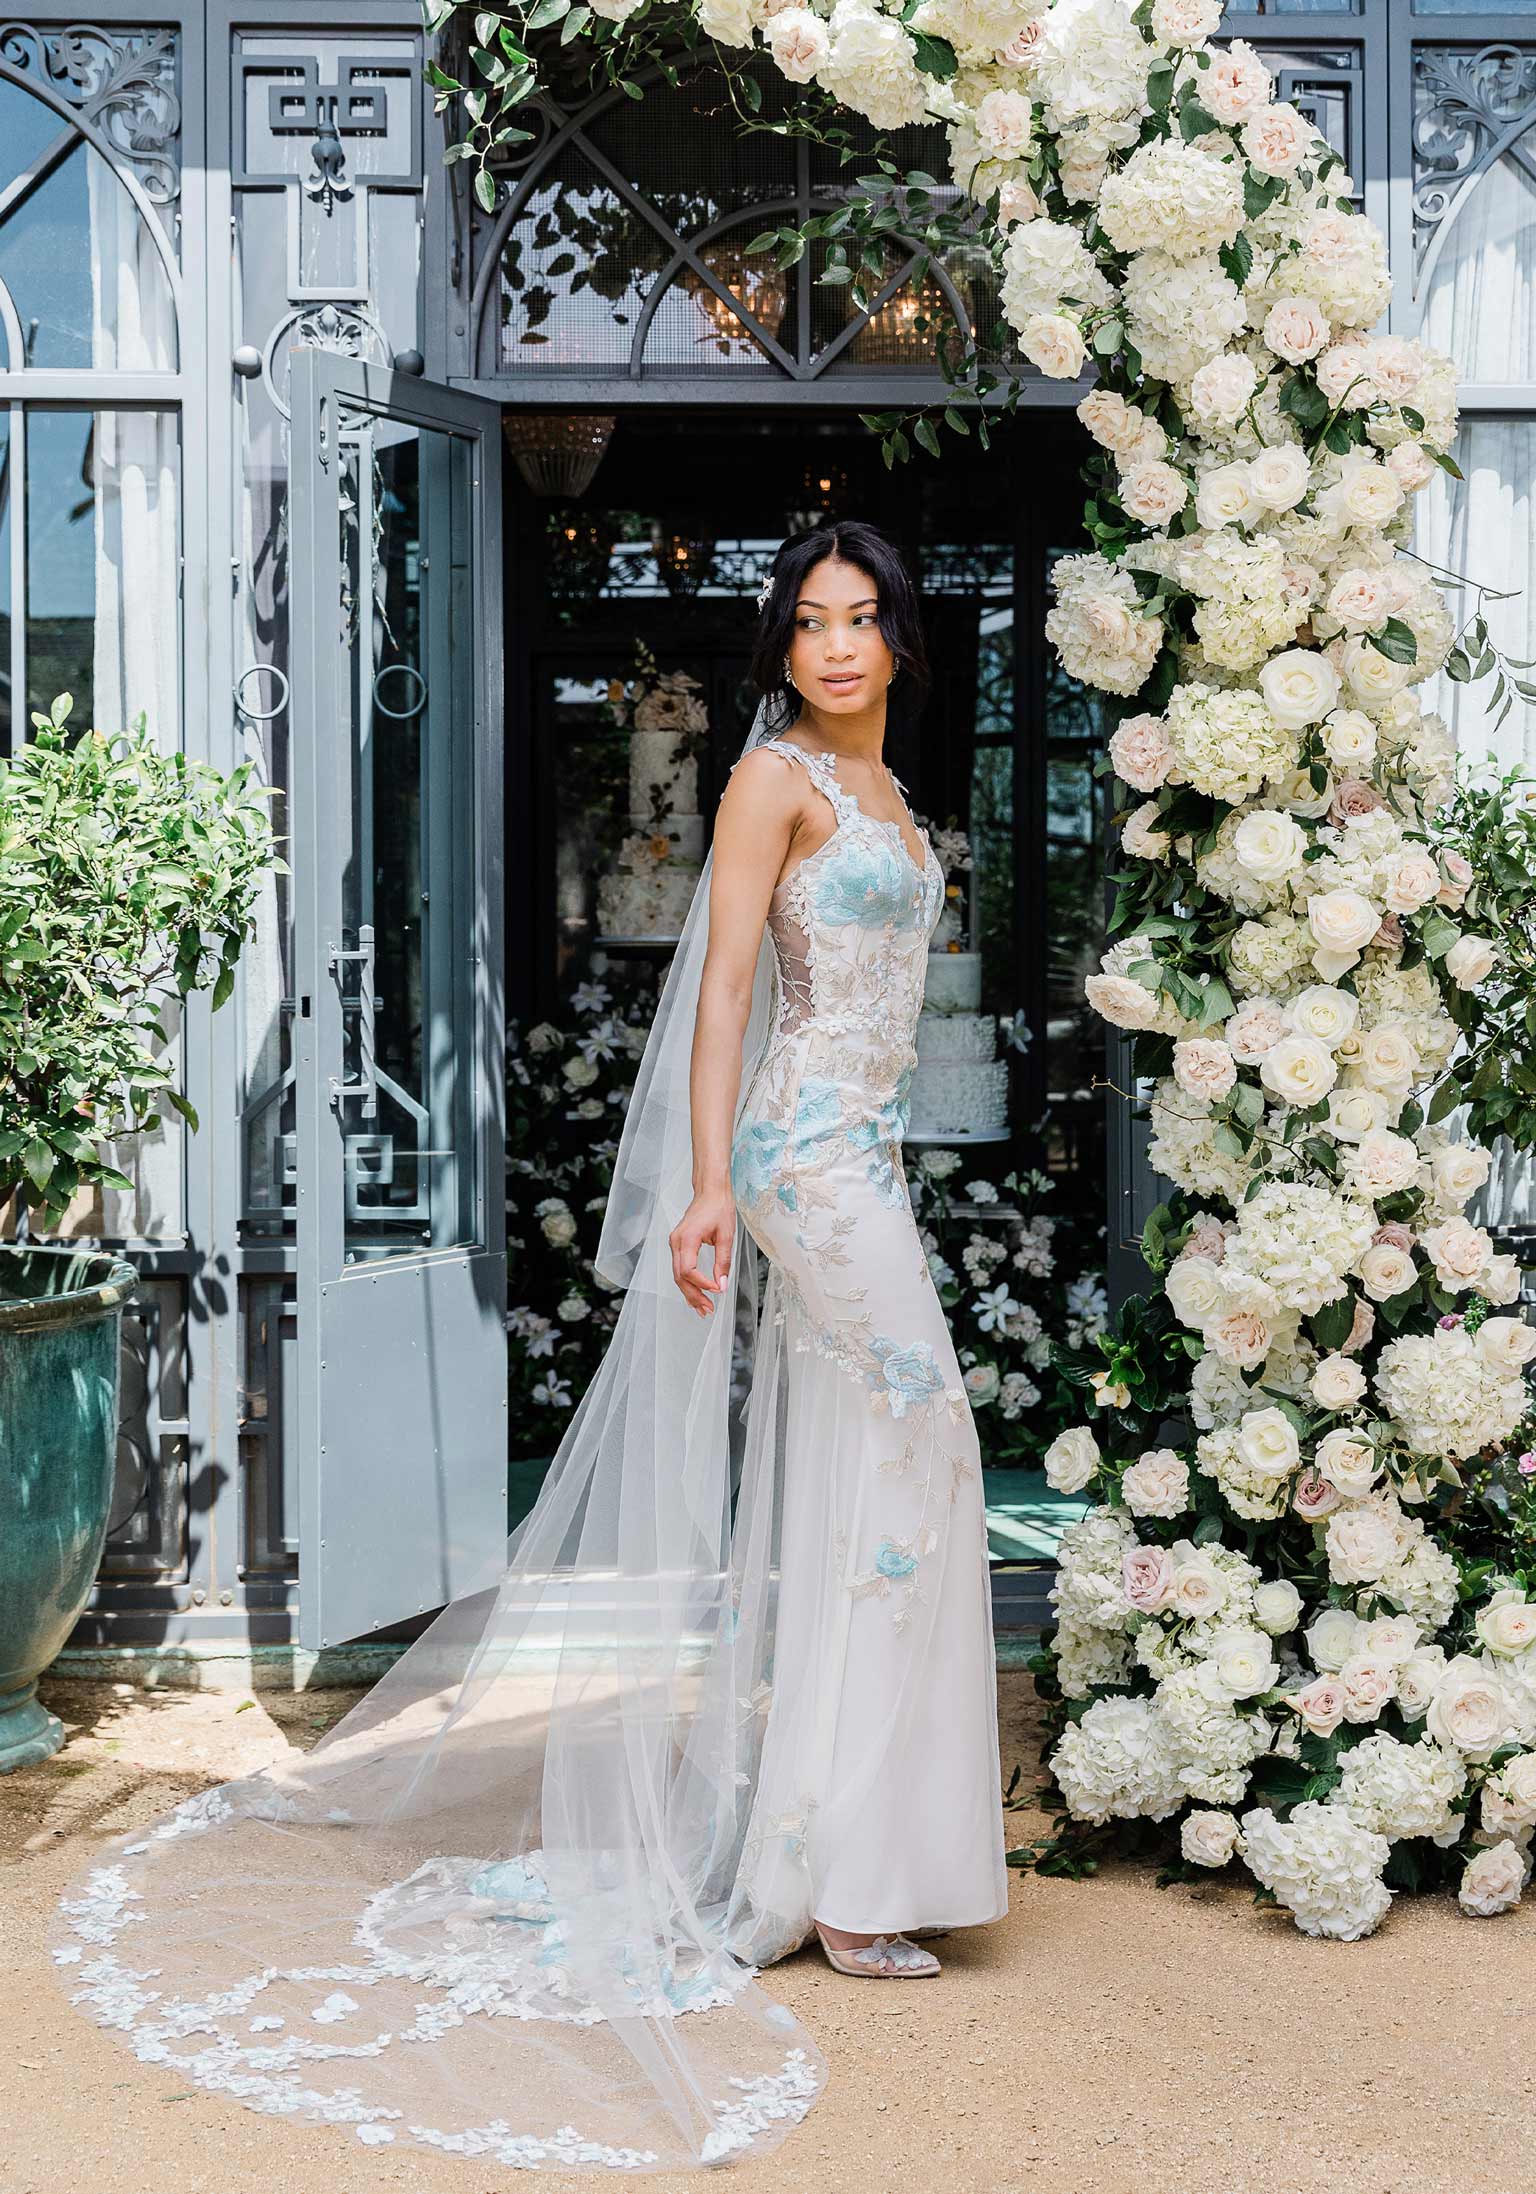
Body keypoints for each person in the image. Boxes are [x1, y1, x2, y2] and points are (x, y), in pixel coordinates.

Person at [47, 520, 1007, 2174]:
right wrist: (710, 1185)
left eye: (864, 619)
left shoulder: (901, 805)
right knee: (921, 1433)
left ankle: (858, 1855)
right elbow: (721, 998)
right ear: (779, 647)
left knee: (886, 1461)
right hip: (793, 1161)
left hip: (866, 1155)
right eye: (810, 622)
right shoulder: (775, 778)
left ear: (902, 642)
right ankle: (834, 1877)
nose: (837, 646)